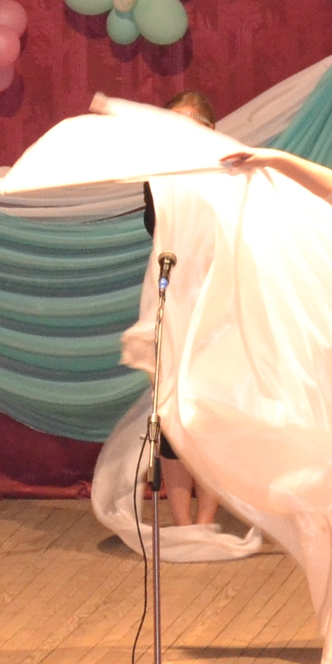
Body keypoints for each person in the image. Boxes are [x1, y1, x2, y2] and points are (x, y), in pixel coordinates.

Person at [142, 91, 221, 528]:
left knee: (209, 415)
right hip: (171, 300)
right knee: (170, 417)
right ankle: (182, 523)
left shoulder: (229, 176)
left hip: (215, 303)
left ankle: (206, 521)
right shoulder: (157, 177)